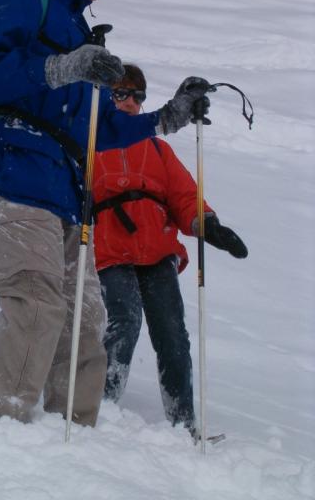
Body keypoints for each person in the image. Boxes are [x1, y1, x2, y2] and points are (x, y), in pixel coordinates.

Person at [0, 0, 211, 427]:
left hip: (65, 194)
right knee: (36, 305)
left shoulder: (79, 27)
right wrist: (60, 67)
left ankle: (75, 437)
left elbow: (99, 126)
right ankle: (2, 432)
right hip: (13, 175)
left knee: (86, 322)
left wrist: (166, 118)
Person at [92, 64, 248, 438]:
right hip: (110, 249)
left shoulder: (158, 150)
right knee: (125, 321)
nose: (130, 102)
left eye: (138, 96)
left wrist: (207, 224)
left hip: (158, 249)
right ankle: (97, 408)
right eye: (121, 94)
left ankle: (183, 425)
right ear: (106, 98)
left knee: (173, 335)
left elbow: (183, 196)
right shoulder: (92, 142)